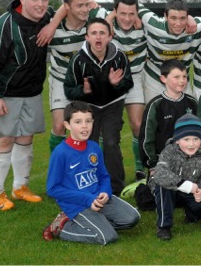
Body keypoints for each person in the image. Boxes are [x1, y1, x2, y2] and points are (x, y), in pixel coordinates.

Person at [0, 0, 53, 210]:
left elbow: (65, 10)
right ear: (22, 0)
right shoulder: (5, 25)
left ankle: (20, 187)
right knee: (4, 139)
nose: (40, 4)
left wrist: (55, 22)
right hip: (5, 94)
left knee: (25, 138)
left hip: (31, 92)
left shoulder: (46, 18)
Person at [44, 101, 140, 244]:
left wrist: (105, 192)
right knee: (108, 237)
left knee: (133, 218)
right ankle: (62, 227)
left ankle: (99, 223)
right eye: (78, 122)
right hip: (79, 204)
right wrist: (88, 199)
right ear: (67, 125)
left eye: (88, 121)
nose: (84, 126)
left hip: (99, 199)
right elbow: (52, 189)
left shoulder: (94, 147)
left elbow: (103, 176)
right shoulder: (61, 153)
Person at [63, 18, 133, 194]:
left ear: (110, 36)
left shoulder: (119, 56)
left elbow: (128, 83)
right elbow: (69, 90)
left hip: (112, 104)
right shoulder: (78, 59)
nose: (98, 37)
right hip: (88, 107)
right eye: (94, 33)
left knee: (110, 142)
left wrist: (114, 84)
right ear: (87, 37)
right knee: (88, 142)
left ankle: (116, 186)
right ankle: (86, 183)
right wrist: (83, 91)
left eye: (102, 33)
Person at [42, 0, 107, 152]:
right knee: (58, 126)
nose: (85, 9)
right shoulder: (52, 29)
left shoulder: (95, 20)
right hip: (61, 80)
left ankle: (91, 167)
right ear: (67, 7)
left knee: (91, 128)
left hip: (88, 82)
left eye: (86, 4)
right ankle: (58, 169)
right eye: (79, 5)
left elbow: (118, 18)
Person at [150, 113, 201, 241]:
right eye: (186, 139)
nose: (191, 144)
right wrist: (185, 185)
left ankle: (190, 215)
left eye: (196, 139)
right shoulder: (169, 151)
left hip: (191, 191)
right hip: (171, 190)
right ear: (177, 140)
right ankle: (164, 227)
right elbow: (159, 172)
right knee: (163, 187)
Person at [107, 0, 148, 181]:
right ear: (114, 11)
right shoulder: (105, 25)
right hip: (109, 82)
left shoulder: (145, 27)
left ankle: (140, 169)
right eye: (122, 13)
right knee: (107, 129)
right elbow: (85, 4)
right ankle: (106, 169)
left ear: (137, 13)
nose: (127, 18)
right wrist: (107, 19)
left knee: (138, 125)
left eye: (132, 14)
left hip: (135, 79)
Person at [139, 0, 201, 101]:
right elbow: (134, 4)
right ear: (165, 16)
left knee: (188, 115)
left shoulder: (198, 26)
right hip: (154, 79)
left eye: (182, 18)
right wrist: (110, 17)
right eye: (173, 18)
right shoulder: (152, 23)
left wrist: (191, 18)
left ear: (187, 17)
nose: (178, 23)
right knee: (154, 114)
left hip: (182, 82)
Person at [139, 60, 198, 173]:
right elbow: (147, 138)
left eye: (184, 77)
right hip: (163, 162)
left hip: (189, 160)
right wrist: (152, 164)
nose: (182, 81)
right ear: (163, 79)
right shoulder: (156, 105)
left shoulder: (192, 103)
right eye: (176, 77)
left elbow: (200, 131)